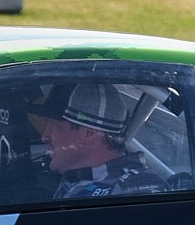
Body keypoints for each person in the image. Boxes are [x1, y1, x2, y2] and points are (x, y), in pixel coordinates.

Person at [29, 83, 163, 200]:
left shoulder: (136, 190)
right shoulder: (82, 178)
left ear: (89, 134)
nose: (45, 137)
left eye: (54, 126)